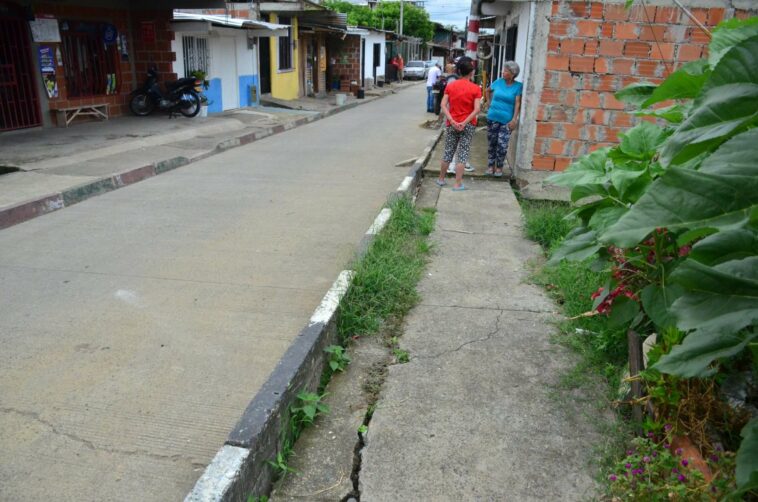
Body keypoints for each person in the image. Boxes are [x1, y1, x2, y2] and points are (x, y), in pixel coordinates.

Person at [436, 57, 482, 191]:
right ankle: (457, 184)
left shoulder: (450, 86)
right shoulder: (475, 89)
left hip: (452, 124)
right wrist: (464, 122)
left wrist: (452, 120)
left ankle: (441, 179)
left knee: (448, 152)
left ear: (459, 71)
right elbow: (477, 109)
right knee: (462, 153)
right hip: (468, 125)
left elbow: (443, 105)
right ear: (471, 72)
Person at [484, 61, 522, 178]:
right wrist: (489, 103)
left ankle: (499, 166)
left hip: (506, 120)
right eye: (503, 70)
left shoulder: (518, 86)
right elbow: (487, 90)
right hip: (492, 117)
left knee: (502, 144)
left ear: (512, 73)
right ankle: (491, 166)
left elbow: (517, 103)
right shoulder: (498, 82)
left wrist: (514, 119)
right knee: (492, 143)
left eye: (505, 71)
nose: (503, 72)